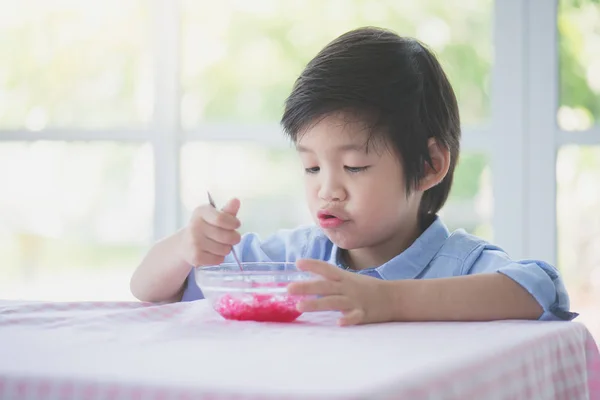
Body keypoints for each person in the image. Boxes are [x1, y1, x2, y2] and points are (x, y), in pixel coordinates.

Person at [130, 26, 576, 326]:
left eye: (354, 167)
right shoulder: (297, 259)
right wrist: (187, 245)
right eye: (311, 167)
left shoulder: (462, 264)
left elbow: (539, 289)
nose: (327, 189)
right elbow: (147, 289)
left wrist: (388, 301)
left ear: (428, 166)